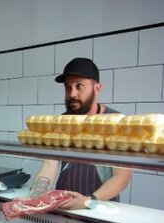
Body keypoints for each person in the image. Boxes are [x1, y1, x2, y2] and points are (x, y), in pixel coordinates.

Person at [28, 57, 132, 209]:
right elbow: (50, 164)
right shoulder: (61, 122)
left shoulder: (117, 123)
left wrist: (87, 201)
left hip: (98, 209)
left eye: (79, 86)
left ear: (97, 88)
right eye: (68, 87)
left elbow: (122, 177)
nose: (72, 94)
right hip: (63, 205)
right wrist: (35, 198)